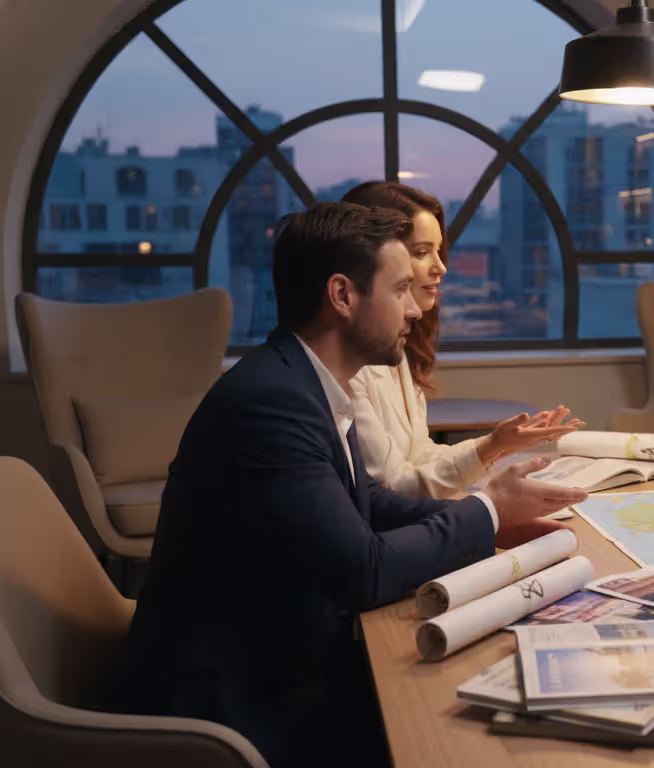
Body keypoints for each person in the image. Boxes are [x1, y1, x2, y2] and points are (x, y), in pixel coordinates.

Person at [124, 202, 587, 768]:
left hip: (282, 651)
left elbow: (366, 505)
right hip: (241, 694)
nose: (414, 309)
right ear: (343, 296)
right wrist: (487, 510)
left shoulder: (300, 380)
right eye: (398, 289)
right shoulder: (272, 405)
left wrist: (490, 521)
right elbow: (363, 572)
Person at [341, 182, 582, 498]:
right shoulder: (347, 366)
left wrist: (496, 444)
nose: (440, 267)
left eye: (438, 251)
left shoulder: (399, 350)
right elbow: (391, 488)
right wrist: (490, 503)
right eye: (421, 252)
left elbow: (419, 455)